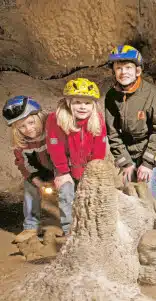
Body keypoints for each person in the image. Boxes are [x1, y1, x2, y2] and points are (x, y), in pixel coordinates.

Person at [46, 78, 106, 235]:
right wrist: (63, 172)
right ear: (68, 102)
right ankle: (69, 231)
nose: (82, 107)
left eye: (87, 103)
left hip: (87, 166)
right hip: (65, 166)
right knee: (67, 195)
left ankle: (89, 229)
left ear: (93, 105)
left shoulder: (97, 119)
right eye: (77, 102)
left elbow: (99, 147)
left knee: (90, 196)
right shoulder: (56, 119)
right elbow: (55, 147)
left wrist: (93, 172)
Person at [105, 45, 156, 201]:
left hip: (148, 145)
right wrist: (124, 161)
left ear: (137, 70)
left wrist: (148, 163)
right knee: (127, 188)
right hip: (126, 149)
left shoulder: (152, 94)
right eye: (119, 68)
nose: (123, 72)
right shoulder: (111, 96)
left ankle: (151, 220)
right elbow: (112, 132)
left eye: (128, 67)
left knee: (146, 184)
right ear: (114, 72)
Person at [2, 95, 54, 243]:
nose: (28, 129)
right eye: (22, 127)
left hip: (63, 169)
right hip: (41, 172)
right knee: (29, 186)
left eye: (31, 123)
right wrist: (35, 179)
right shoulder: (21, 143)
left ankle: (71, 222)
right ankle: (31, 227)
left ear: (39, 117)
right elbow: (22, 164)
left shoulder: (53, 129)